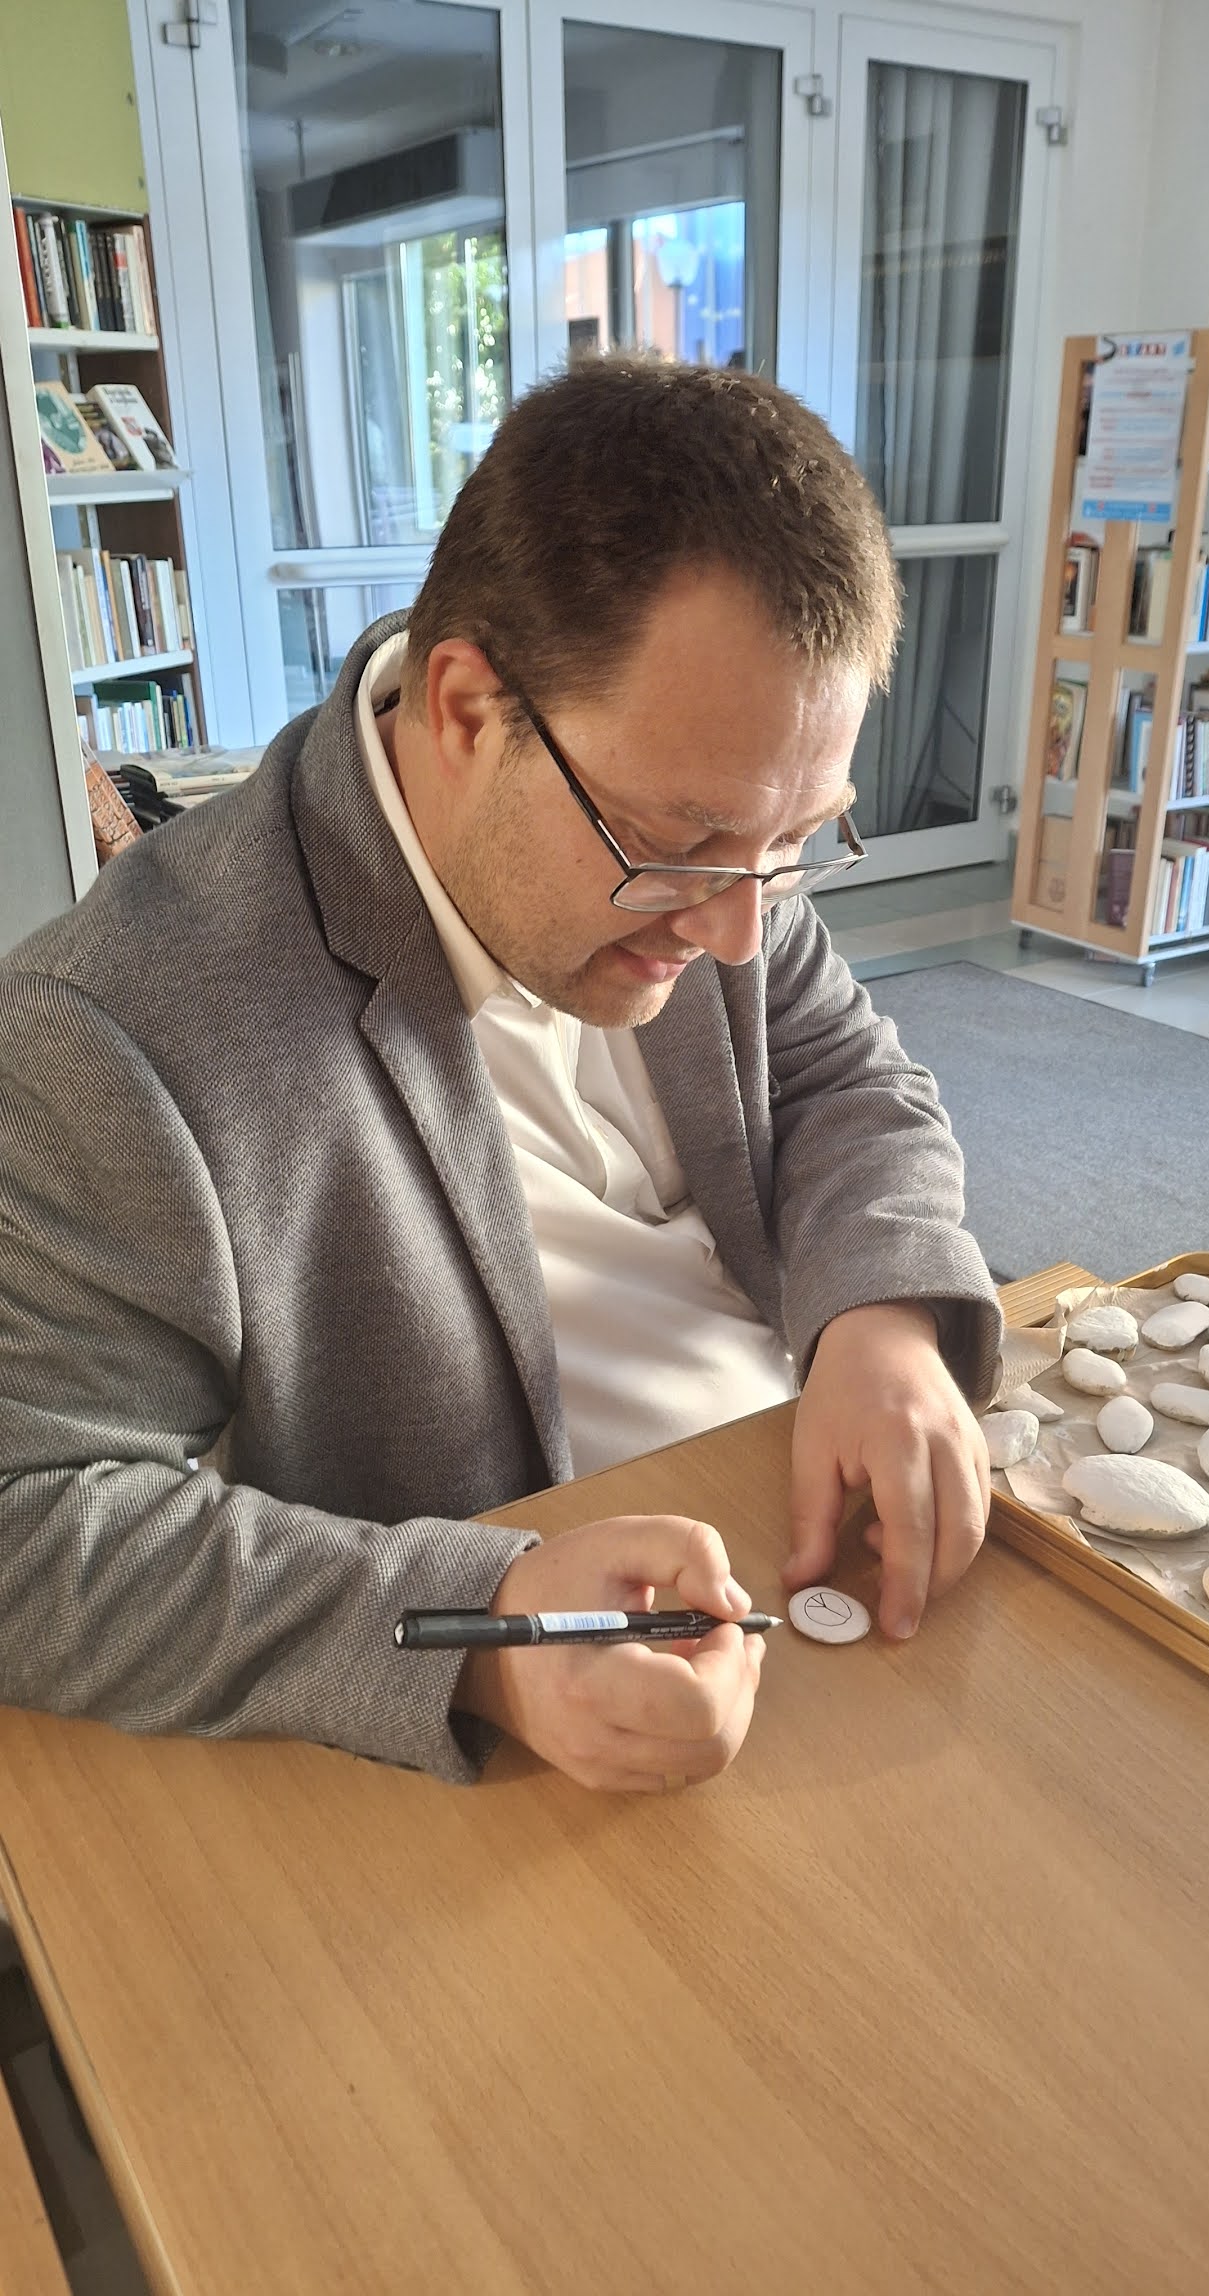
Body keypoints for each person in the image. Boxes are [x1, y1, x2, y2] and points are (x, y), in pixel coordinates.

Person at [0, 357, 1002, 1794]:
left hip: (806, 1549)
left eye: (799, 843)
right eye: (679, 847)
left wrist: (883, 1321)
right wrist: (475, 1638)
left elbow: (848, 1074)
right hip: (520, 1752)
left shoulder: (722, 823)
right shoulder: (113, 1032)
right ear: (467, 709)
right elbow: (29, 1525)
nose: (738, 932)